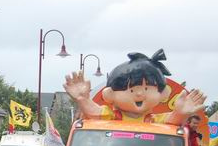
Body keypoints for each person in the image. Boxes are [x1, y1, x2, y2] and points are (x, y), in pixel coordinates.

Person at [64, 49, 206, 125]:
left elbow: (172, 121)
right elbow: (93, 112)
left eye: (146, 88)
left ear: (163, 93)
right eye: (131, 90)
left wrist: (181, 113)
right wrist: (82, 99)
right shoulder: (110, 116)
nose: (139, 94)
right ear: (110, 94)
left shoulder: (155, 121)